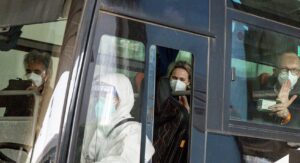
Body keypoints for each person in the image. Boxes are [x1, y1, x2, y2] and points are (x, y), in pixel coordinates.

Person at [238, 52, 300, 162]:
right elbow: (244, 115)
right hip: (251, 151)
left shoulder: (298, 98)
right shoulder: (257, 88)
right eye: (285, 69)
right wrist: (273, 108)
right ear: (275, 71)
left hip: (281, 156)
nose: (290, 74)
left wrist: (286, 116)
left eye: (295, 70)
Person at [83, 73, 155, 163]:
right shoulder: (101, 125)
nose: (98, 99)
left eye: (105, 94)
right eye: (97, 94)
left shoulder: (133, 133)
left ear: (122, 98)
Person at [0, 50, 53, 132]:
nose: (31, 75)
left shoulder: (50, 95)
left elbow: (41, 125)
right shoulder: (19, 88)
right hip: (9, 137)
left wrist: (36, 98)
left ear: (46, 75)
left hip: (32, 141)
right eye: (28, 71)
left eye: (37, 72)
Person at [153, 61, 191, 163]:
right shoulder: (162, 95)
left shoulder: (193, 101)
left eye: (182, 79)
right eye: (174, 78)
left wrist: (187, 112)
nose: (177, 82)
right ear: (169, 78)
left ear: (188, 82)